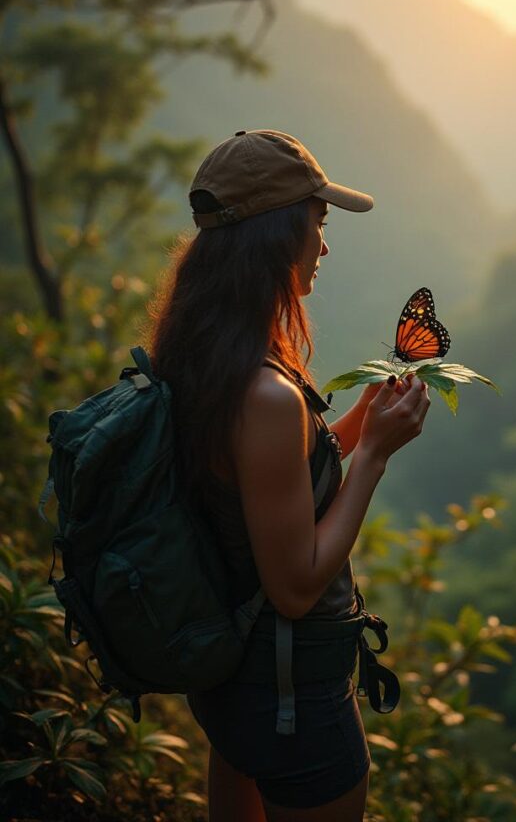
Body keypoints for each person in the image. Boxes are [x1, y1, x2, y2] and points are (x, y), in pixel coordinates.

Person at [148, 129, 431, 822]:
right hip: (292, 700)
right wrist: (374, 457)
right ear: (277, 235)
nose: (323, 246)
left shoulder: (200, 355)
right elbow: (297, 586)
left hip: (234, 685)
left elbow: (269, 484)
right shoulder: (267, 393)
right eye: (318, 221)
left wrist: (359, 421)